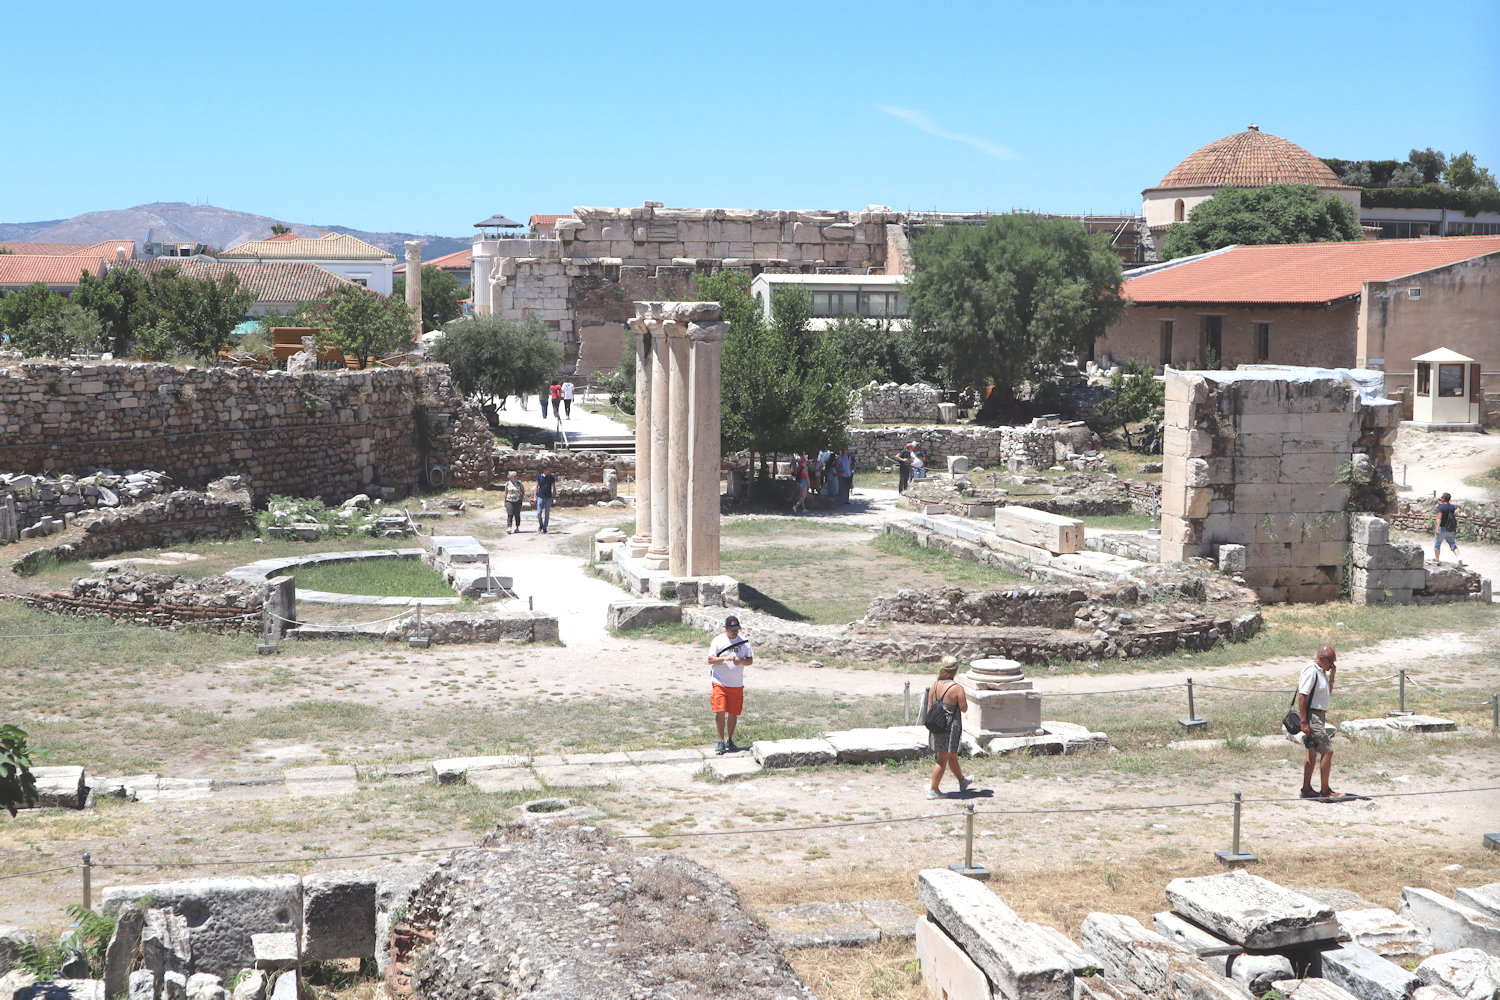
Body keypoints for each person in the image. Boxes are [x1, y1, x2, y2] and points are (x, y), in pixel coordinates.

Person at [926, 659, 972, 799]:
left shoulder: (934, 685)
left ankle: (962, 781)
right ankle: (933, 790)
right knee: (942, 758)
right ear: (955, 670)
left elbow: (930, 705)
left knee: (951, 755)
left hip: (937, 725)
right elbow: (964, 708)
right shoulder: (957, 688)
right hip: (950, 727)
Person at [708, 615, 754, 754]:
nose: (735, 632)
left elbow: (750, 660)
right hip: (719, 682)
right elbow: (710, 660)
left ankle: (730, 739)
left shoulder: (744, 643)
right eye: (732, 629)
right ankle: (721, 741)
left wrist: (740, 661)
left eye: (737, 629)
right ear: (726, 628)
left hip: (736, 684)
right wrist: (724, 658)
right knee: (720, 711)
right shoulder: (718, 640)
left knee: (733, 713)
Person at [1298, 645, 1338, 799]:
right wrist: (1304, 722)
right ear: (1322, 659)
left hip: (1318, 715)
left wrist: (1332, 678)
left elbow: (1327, 694)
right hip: (1313, 716)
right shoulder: (1312, 670)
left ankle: (1306, 789)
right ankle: (1325, 791)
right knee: (1327, 751)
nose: (1332, 666)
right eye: (1331, 662)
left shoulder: (1320, 671)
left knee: (1313, 752)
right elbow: (1302, 696)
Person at [1434, 493, 1461, 564]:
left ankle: (1437, 560)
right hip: (1450, 528)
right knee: (1452, 544)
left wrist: (1437, 528)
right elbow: (1450, 511)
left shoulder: (1441, 507)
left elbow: (1439, 518)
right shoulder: (1452, 507)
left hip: (1442, 528)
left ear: (1443, 499)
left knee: (1437, 544)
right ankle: (1459, 558)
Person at [535, 466, 556, 534]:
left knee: (547, 514)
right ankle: (541, 525)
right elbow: (537, 486)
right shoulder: (539, 477)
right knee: (539, 513)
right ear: (544, 470)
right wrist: (535, 496)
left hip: (548, 497)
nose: (549, 471)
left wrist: (554, 498)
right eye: (547, 469)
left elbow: (554, 488)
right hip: (540, 496)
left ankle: (545, 528)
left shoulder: (551, 477)